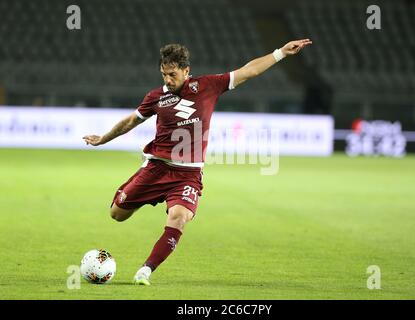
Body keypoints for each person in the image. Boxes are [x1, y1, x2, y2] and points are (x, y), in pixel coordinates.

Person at [82, 39, 312, 285]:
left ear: (186, 71)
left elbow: (249, 71)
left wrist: (280, 53)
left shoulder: (209, 86)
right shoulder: (156, 96)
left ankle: (146, 270)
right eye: (163, 74)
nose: (168, 80)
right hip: (156, 169)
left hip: (187, 175)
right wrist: (103, 139)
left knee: (179, 217)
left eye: (172, 74)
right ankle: (145, 197)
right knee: (117, 214)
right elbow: (131, 121)